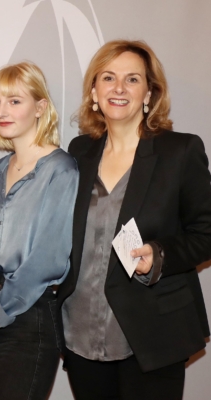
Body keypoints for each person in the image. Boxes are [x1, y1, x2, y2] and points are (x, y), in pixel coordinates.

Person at [58, 39, 211, 400]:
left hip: (152, 335)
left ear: (149, 93)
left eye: (132, 79)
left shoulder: (180, 151)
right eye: (108, 78)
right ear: (94, 92)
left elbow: (206, 231)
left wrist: (159, 254)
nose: (119, 88)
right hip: (81, 333)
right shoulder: (79, 152)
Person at [0, 61, 78, 400]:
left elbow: (48, 261)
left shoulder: (61, 170)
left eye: (14, 101)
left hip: (28, 315)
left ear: (40, 107)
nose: (2, 111)